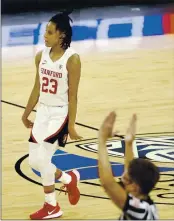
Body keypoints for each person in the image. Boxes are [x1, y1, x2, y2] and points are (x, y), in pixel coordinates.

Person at [22, 11, 82, 220]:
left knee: (42, 158)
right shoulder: (41, 55)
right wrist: (26, 113)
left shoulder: (72, 59)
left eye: (49, 32)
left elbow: (73, 96)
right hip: (43, 113)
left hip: (60, 115)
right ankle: (68, 178)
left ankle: (52, 206)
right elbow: (37, 87)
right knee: (34, 162)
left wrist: (71, 126)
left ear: (62, 35)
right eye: (45, 32)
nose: (44, 36)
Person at [98, 111, 160, 220]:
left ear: (134, 187)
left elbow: (107, 183)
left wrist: (102, 140)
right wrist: (128, 144)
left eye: (126, 179)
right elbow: (131, 169)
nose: (122, 178)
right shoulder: (144, 202)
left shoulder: (140, 211)